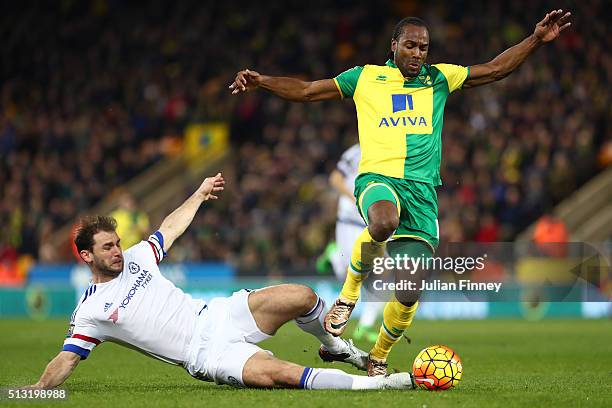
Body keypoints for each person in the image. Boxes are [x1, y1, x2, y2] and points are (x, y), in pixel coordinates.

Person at [229, 10, 572, 375]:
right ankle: (348, 296)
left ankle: (377, 356)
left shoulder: (440, 78)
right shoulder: (366, 77)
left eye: (423, 47)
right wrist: (262, 81)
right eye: (410, 45)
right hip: (379, 180)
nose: (417, 53)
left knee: (408, 291)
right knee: (383, 220)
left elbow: (495, 69)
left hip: (422, 195)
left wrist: (534, 40)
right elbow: (309, 90)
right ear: (394, 46)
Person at [23, 173, 417, 391]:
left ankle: (334, 346)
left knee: (302, 295)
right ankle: (384, 386)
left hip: (218, 315)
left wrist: (197, 194)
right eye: (108, 247)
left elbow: (169, 228)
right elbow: (67, 358)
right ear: (87, 256)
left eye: (118, 244)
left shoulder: (139, 256)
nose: (118, 251)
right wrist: (39, 388)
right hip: (204, 355)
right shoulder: (90, 311)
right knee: (281, 374)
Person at [319, 144, 383, 342]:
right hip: (351, 221)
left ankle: (365, 325)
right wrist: (355, 197)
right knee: (349, 274)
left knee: (383, 271)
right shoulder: (358, 150)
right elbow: (335, 178)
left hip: (376, 221)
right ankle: (333, 255)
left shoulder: (392, 148)